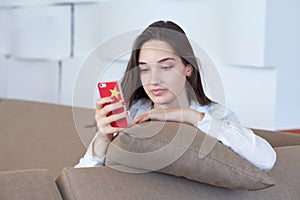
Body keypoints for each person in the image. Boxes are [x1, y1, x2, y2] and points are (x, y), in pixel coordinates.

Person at [75, 20, 276, 172]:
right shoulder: (132, 111)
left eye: (165, 67)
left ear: (188, 68)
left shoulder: (213, 116)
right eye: (144, 69)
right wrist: (103, 138)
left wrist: (189, 116)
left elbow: (266, 160)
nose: (153, 80)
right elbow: (82, 179)